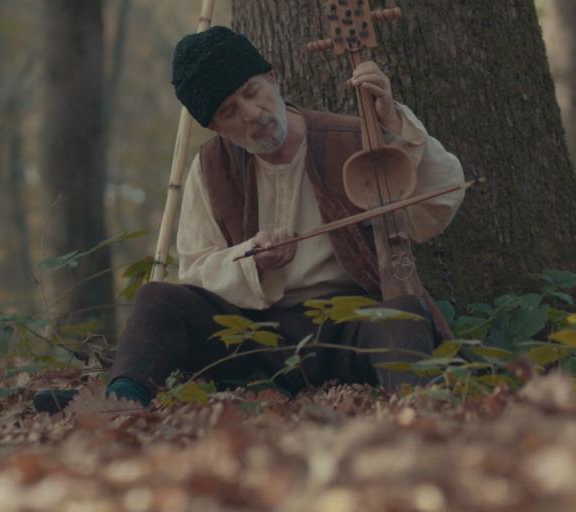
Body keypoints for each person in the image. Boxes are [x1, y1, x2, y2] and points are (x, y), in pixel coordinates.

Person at [35, 26, 464, 413]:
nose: (251, 114)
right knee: (158, 299)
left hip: (350, 325)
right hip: (257, 336)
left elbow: (439, 204)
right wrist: (251, 259)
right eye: (229, 111)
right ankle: (120, 399)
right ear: (216, 128)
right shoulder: (211, 169)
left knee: (403, 316)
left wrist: (396, 124)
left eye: (251, 91)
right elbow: (196, 271)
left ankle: (416, 414)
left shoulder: (352, 138)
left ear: (273, 78)